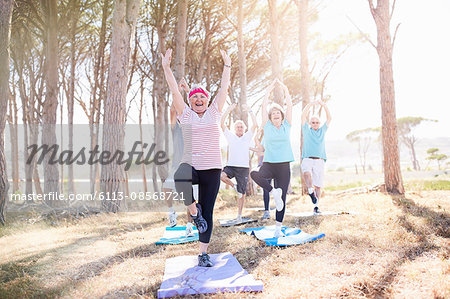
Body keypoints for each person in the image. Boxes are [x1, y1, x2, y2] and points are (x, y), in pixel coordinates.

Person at [161, 48, 231, 267]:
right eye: (195, 97)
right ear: (190, 101)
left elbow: (223, 88)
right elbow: (174, 92)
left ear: (207, 100)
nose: (199, 99)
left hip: (212, 169)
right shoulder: (186, 114)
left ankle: (203, 253)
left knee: (208, 211)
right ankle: (193, 210)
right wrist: (166, 67)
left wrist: (227, 65)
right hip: (191, 165)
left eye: (202, 97)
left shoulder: (214, 112)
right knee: (180, 175)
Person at [250, 79, 294, 238]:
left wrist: (286, 90)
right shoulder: (267, 126)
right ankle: (272, 191)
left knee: (282, 199)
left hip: (283, 166)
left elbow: (290, 107)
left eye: (278, 113)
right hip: (269, 164)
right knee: (254, 174)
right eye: (273, 113)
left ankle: (278, 228)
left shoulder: (287, 125)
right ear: (270, 117)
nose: (276, 115)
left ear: (282, 116)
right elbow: (263, 107)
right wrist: (268, 90)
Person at [162, 78, 194, 237]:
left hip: (192, 166)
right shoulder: (176, 128)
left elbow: (195, 109)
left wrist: (188, 92)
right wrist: (178, 91)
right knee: (166, 188)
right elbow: (173, 111)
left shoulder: (193, 126)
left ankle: (189, 224)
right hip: (176, 165)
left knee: (191, 198)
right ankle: (171, 212)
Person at [220, 103, 257, 222]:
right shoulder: (230, 136)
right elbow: (222, 124)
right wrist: (228, 110)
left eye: (241, 126)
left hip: (243, 168)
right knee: (221, 175)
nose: (240, 128)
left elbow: (255, 125)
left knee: (242, 194)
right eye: (237, 127)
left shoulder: (247, 137)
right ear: (234, 129)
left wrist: (250, 110)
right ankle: (233, 186)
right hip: (231, 166)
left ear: (244, 129)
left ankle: (239, 216)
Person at [301, 100, 332, 214]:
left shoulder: (322, 130)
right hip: (307, 158)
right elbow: (303, 115)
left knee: (318, 186)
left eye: (317, 122)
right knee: (306, 173)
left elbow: (329, 118)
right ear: (310, 123)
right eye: (313, 122)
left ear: (319, 124)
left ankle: (316, 206)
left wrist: (324, 106)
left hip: (319, 160)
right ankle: (310, 190)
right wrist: (310, 105)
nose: (315, 124)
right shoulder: (306, 130)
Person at [250, 129, 271, 220]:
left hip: (270, 167)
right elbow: (256, 142)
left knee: (269, 189)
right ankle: (267, 211)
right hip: (261, 168)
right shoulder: (263, 141)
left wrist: (259, 152)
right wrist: (259, 131)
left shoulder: (272, 143)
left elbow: (264, 153)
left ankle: (269, 210)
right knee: (266, 189)